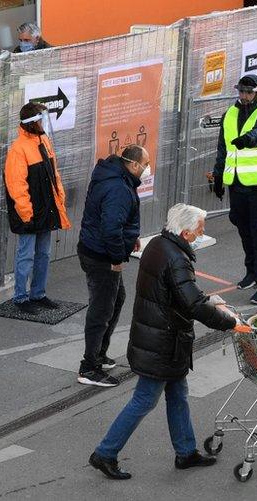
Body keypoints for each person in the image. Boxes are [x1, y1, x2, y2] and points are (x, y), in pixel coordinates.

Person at [89, 204, 239, 480]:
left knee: (178, 394)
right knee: (144, 400)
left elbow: (180, 292)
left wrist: (209, 301)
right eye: (199, 230)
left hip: (156, 337)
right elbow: (191, 302)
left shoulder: (158, 245)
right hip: (163, 342)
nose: (202, 234)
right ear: (185, 232)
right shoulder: (177, 258)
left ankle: (186, 452)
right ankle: (105, 452)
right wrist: (230, 322)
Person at [75, 145, 150, 387]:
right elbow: (110, 228)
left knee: (116, 300)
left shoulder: (114, 176)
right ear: (134, 164)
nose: (147, 169)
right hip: (102, 256)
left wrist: (131, 238)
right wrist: (117, 259)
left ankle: (98, 354)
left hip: (95, 249)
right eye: (145, 164)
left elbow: (116, 220)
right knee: (102, 308)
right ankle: (89, 367)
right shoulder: (118, 187)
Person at [209, 74, 257, 305]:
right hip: (237, 182)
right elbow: (223, 148)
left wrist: (248, 139)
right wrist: (218, 176)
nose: (244, 96)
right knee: (243, 227)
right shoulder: (230, 114)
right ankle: (251, 272)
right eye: (241, 91)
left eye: (248, 92)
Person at [4, 102, 70, 314]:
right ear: (32, 124)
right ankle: (21, 298)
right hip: (30, 214)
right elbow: (17, 186)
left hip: (46, 210)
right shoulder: (18, 149)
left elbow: (54, 174)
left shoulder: (44, 141)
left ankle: (38, 293)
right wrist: (26, 215)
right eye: (40, 120)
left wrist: (60, 198)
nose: (43, 123)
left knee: (43, 254)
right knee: (26, 255)